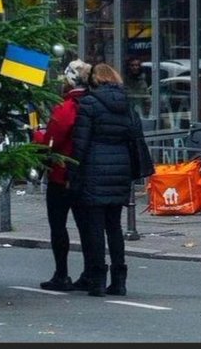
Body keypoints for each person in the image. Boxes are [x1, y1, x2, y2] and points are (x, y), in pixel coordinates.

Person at [69, 62, 137, 298]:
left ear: (94, 80)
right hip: (120, 168)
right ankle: (119, 280)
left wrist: (73, 172)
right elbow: (133, 136)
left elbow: (80, 142)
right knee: (115, 227)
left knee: (95, 227)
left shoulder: (89, 103)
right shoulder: (126, 104)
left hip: (94, 169)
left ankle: (97, 279)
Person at [33, 59, 90, 292]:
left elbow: (52, 141)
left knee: (59, 225)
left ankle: (62, 273)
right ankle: (91, 272)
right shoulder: (93, 103)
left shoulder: (67, 107)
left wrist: (37, 137)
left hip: (62, 173)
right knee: (87, 227)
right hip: (87, 173)